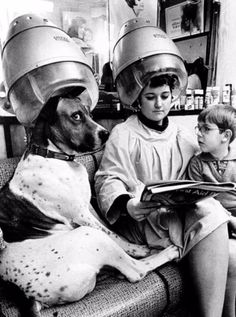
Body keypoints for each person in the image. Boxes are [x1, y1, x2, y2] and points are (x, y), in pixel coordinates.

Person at [95, 18, 232, 317]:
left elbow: (203, 167)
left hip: (179, 216)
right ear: (137, 100)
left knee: (229, 246)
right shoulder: (124, 134)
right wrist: (127, 204)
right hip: (146, 224)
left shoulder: (183, 135)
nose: (159, 104)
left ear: (173, 96)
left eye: (165, 97)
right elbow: (108, 179)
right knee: (213, 218)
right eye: (150, 98)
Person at [187, 104, 236, 316]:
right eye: (198, 128)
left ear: (226, 135)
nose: (199, 134)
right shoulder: (197, 164)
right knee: (232, 258)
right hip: (215, 228)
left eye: (206, 129)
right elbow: (197, 204)